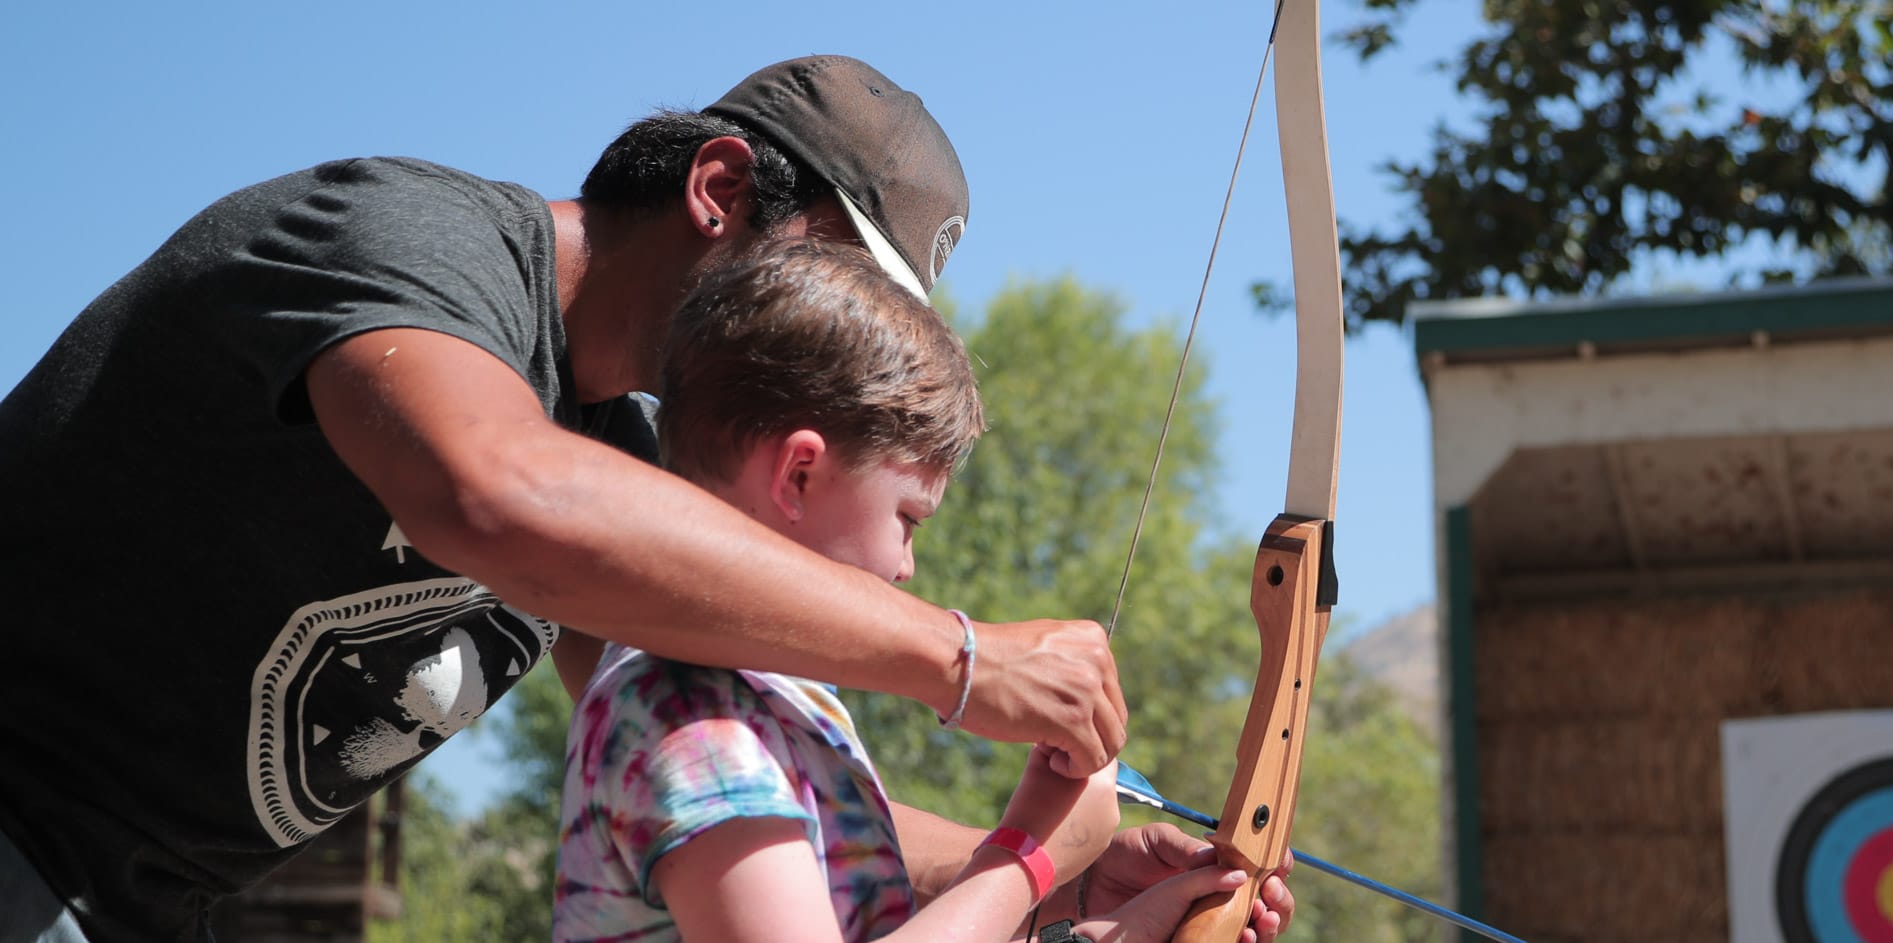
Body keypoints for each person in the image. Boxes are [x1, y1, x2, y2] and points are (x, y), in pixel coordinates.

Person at [0, 55, 1214, 942]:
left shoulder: (623, 473)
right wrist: (959, 659)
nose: (854, 346)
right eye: (834, 280)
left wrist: (1051, 864)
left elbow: (737, 773)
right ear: (720, 189)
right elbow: (499, 494)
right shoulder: (412, 239)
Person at [555, 237, 1264, 943]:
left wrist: (1110, 934)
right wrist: (1026, 854)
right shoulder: (689, 713)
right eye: (907, 518)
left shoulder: (772, 703)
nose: (907, 568)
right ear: (799, 475)